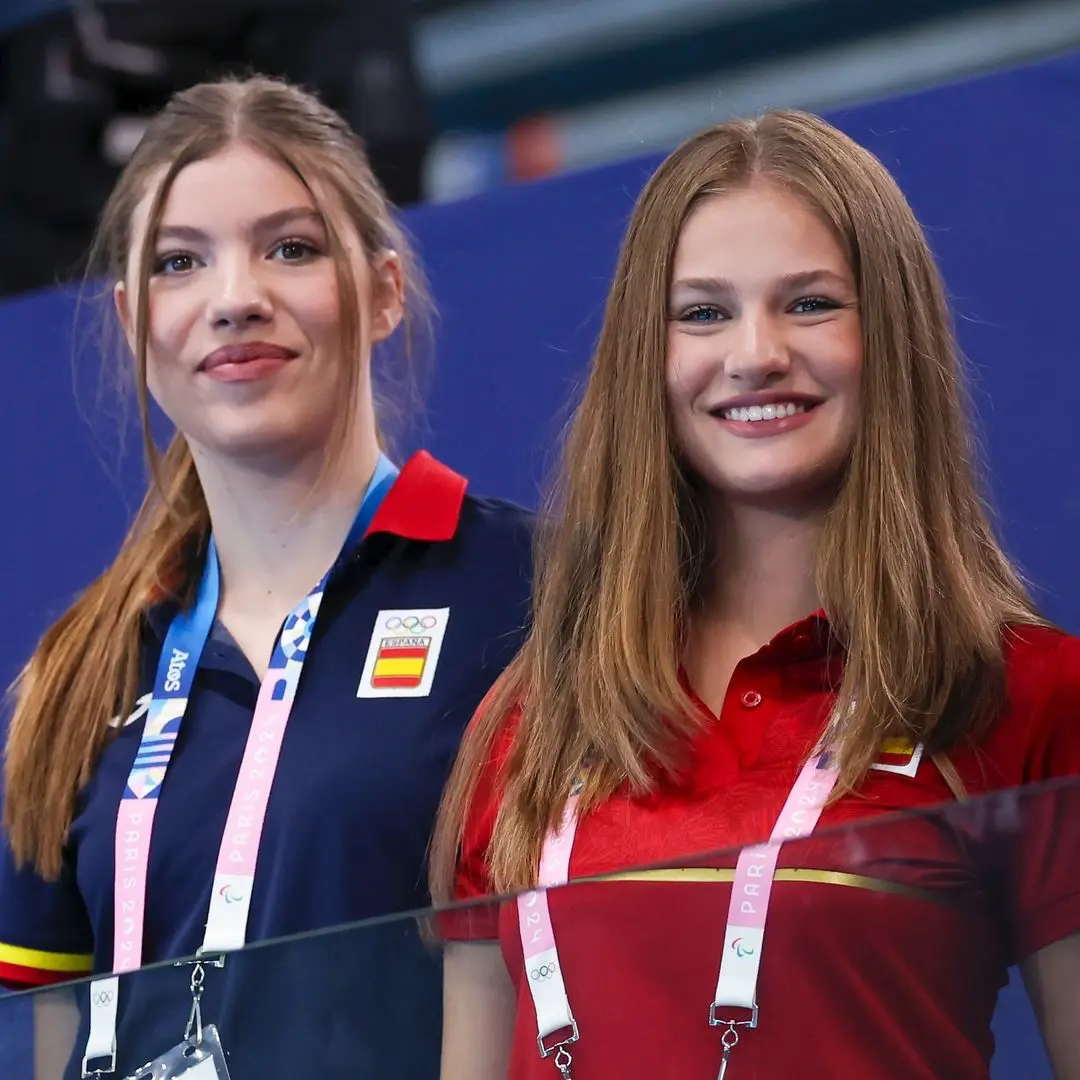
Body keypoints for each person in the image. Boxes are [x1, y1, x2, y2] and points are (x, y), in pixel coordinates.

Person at [431, 110, 1080, 1080]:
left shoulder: (1026, 696)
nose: (756, 353)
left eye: (810, 303)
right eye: (703, 312)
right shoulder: (533, 722)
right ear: (643, 359)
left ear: (890, 335)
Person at [0, 75, 532, 1078]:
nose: (235, 298)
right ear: (131, 318)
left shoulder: (530, 591)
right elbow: (49, 1041)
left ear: (382, 291)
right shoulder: (73, 676)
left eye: (290, 247)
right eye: (178, 263)